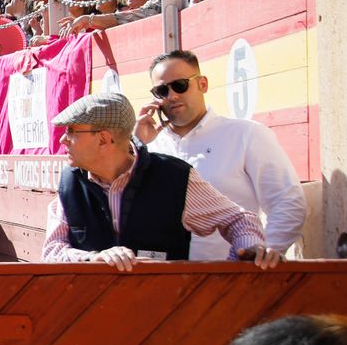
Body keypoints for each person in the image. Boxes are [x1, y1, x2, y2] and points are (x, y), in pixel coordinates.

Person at [42, 92, 277, 270]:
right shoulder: (70, 183)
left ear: (104, 139)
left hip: (163, 315)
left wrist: (248, 248)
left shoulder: (173, 176)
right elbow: (52, 252)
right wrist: (92, 257)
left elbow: (238, 219)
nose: (63, 139)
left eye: (72, 131)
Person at [136, 51, 307, 262]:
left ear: (203, 84)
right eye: (162, 90)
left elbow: (287, 201)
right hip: (164, 280)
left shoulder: (246, 135)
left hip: (232, 279)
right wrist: (138, 145)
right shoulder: (148, 147)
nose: (172, 96)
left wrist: (262, 254)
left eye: (180, 85)